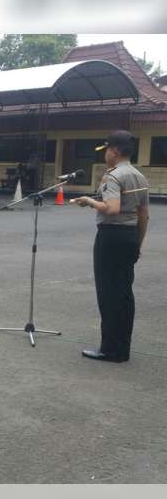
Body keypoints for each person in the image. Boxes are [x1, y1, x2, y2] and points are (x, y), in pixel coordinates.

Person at [70, 130, 150, 363]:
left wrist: (89, 201)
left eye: (106, 150)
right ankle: (122, 348)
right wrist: (138, 242)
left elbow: (112, 209)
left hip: (111, 237)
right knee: (124, 294)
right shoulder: (139, 176)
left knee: (108, 294)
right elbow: (144, 214)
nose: (105, 154)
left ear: (114, 151)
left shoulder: (113, 176)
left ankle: (110, 350)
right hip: (130, 235)